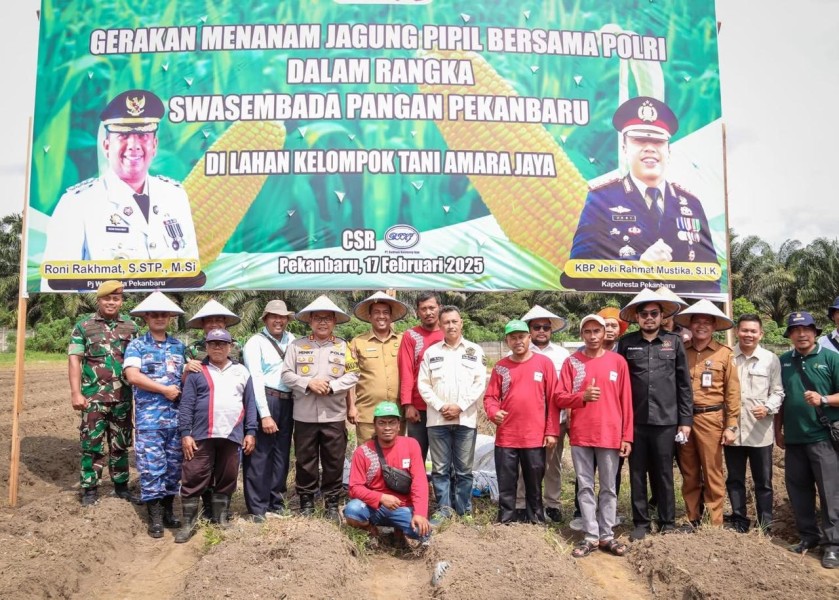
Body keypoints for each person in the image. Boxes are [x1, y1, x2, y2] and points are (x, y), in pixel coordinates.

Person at [43, 89, 198, 263]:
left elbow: (190, 271)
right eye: (123, 135)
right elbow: (56, 285)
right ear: (107, 146)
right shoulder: (76, 204)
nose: (134, 146)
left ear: (154, 145)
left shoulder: (175, 197)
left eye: (142, 135)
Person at [568, 96, 718, 268]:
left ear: (668, 150)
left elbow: (711, 273)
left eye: (658, 141)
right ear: (625, 148)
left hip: (679, 296)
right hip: (621, 295)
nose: (649, 148)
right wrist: (640, 264)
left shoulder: (691, 204)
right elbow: (578, 269)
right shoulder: (601, 199)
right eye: (639, 140)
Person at [616, 288, 692, 541]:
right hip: (635, 421)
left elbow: (684, 384)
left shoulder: (674, 342)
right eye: (644, 314)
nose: (649, 318)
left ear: (662, 317)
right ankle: (641, 522)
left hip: (666, 421)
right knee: (637, 472)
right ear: (637, 318)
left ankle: (667, 521)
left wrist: (685, 421)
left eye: (654, 314)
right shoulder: (626, 344)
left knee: (663, 472)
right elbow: (619, 385)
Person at [559, 315, 633, 557]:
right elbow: (559, 396)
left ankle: (607, 534)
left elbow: (626, 401)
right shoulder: (572, 362)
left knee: (609, 487)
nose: (592, 336)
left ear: (604, 334)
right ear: (582, 335)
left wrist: (626, 436)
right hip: (581, 434)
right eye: (587, 332)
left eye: (596, 331)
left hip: (610, 434)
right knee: (585, 487)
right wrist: (580, 397)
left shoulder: (618, 362)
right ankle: (590, 535)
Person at [281, 295, 359, 521]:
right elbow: (286, 374)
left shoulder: (344, 346)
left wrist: (333, 386)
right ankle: (306, 502)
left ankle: (332, 503)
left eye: (327, 318)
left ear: (334, 321)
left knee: (334, 461)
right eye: (317, 318)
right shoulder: (297, 346)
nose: (322, 322)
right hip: (304, 414)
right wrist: (308, 383)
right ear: (310, 321)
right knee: (306, 461)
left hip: (333, 414)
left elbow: (354, 375)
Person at [175, 328, 257, 543]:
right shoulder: (197, 371)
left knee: (227, 476)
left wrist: (251, 432)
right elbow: (186, 405)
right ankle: (188, 524)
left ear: (230, 346)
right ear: (207, 347)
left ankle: (220, 519)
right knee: (193, 475)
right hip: (201, 434)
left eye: (222, 344)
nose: (217, 347)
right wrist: (185, 433)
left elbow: (249, 404)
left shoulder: (242, 371)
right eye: (213, 344)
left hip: (232, 434)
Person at [775, 311, 839, 569]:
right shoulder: (783, 361)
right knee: (799, 491)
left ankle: (832, 545)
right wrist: (777, 431)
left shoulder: (831, 358)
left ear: (815, 332)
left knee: (830, 494)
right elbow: (779, 398)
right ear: (789, 335)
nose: (802, 334)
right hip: (794, 440)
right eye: (796, 330)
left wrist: (823, 399)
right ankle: (808, 537)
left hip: (823, 438)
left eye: (807, 329)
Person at [484, 320, 563, 524]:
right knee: (507, 481)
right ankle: (507, 518)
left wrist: (552, 431)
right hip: (507, 436)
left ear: (529, 338)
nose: (518, 341)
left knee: (534, 481)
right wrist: (494, 413)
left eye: (521, 337)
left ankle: (535, 518)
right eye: (513, 338)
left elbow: (553, 400)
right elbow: (490, 397)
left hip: (534, 436)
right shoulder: (501, 367)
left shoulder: (544, 363)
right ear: (507, 341)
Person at [67, 280, 137, 506]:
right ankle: (90, 489)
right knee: (91, 445)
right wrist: (76, 393)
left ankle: (121, 487)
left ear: (121, 301)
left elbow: (138, 361)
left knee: (121, 444)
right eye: (107, 298)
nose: (111, 302)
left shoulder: (131, 327)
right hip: (93, 399)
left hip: (123, 398)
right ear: (99, 300)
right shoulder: (84, 326)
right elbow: (75, 360)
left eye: (116, 298)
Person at [124, 291, 186, 538]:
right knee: (152, 468)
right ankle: (155, 517)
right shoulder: (137, 345)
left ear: (170, 317)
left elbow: (182, 378)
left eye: (164, 314)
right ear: (146, 317)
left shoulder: (178, 346)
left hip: (176, 419)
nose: (160, 318)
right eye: (155, 314)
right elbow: (133, 376)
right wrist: (164, 389)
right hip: (149, 420)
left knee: (173, 468)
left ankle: (170, 512)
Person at [673, 300, 741, 529]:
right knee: (689, 471)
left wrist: (731, 425)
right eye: (697, 321)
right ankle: (693, 518)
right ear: (690, 325)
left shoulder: (724, 353)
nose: (701, 326)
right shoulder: (680, 350)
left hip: (711, 419)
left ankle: (714, 523)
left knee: (712, 471)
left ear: (714, 326)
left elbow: (733, 393)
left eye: (707, 322)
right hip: (683, 420)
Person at [417, 306, 487, 521]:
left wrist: (460, 406)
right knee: (440, 469)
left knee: (464, 470)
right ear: (440, 325)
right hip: (437, 420)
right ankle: (443, 510)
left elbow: (479, 384)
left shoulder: (475, 351)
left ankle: (463, 510)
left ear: (461, 323)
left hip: (465, 419)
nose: (450, 325)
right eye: (446, 322)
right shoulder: (432, 352)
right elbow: (423, 384)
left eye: (454, 321)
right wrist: (440, 406)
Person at [183, 298, 242, 519]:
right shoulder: (190, 350)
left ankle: (216, 512)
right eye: (210, 321)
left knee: (225, 466)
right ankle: (199, 511)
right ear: (203, 325)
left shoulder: (237, 350)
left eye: (220, 320)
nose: (215, 324)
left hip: (228, 421)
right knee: (199, 465)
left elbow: (240, 380)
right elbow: (185, 382)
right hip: (199, 415)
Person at [726, 314, 783, 533]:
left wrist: (768, 407)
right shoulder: (728, 356)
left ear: (761, 334)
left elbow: (778, 391)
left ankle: (765, 523)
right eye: (744, 330)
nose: (748, 335)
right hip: (733, 430)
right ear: (737, 331)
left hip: (761, 432)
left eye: (753, 331)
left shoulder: (771, 359)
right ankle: (739, 520)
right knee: (735, 479)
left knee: (763, 482)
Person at [344, 402, 431, 546]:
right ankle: (371, 531)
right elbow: (354, 488)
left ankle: (399, 531)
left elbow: (419, 482)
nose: (387, 427)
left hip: (403, 507)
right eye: (382, 423)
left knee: (424, 532)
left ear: (398, 425)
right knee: (352, 511)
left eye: (392, 422)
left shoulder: (411, 445)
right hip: (374, 508)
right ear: (375, 425)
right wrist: (381, 497)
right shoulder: (363, 452)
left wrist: (420, 513)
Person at [513, 305, 569, 523]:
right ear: (529, 331)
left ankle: (552, 504)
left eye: (546, 327)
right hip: (525, 423)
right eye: (537, 327)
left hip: (556, 420)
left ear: (551, 330)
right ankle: (520, 503)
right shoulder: (516, 352)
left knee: (552, 464)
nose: (542, 331)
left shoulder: (562, 354)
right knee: (523, 465)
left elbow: (567, 388)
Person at [241, 299, 296, 522]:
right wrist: (264, 414)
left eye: (282, 317)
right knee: (260, 454)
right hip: (266, 398)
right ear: (265, 319)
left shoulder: (292, 340)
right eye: (274, 316)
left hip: (288, 401)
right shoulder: (255, 343)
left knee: (282, 454)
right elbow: (255, 378)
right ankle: (257, 507)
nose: (278, 320)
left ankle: (276, 501)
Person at [349, 291, 409, 444]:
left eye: (385, 312)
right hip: (367, 414)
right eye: (376, 312)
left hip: (397, 414)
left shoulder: (403, 340)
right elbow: (350, 377)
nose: (381, 316)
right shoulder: (357, 342)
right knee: (368, 458)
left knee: (395, 460)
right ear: (369, 317)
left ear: (391, 316)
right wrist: (351, 407)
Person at [398, 292, 444, 462]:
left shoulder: (449, 333)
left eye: (432, 307)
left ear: (439, 308)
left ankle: (443, 490)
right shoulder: (411, 336)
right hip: (419, 408)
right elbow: (406, 371)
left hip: (443, 407)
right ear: (417, 312)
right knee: (416, 456)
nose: (428, 312)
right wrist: (408, 404)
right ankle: (418, 488)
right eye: (423, 309)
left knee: (443, 459)